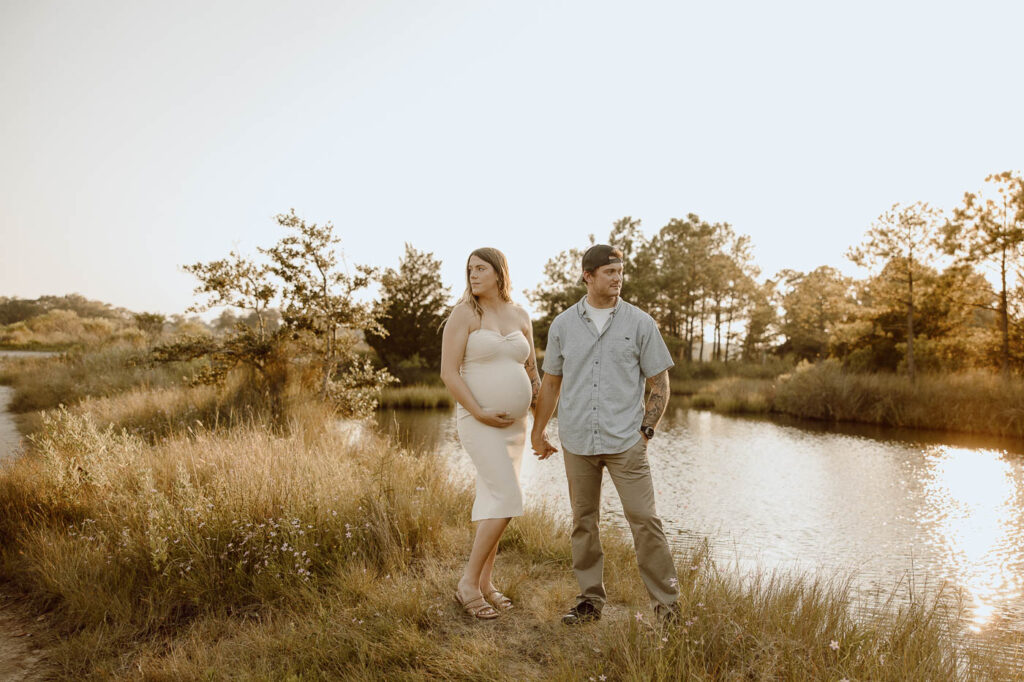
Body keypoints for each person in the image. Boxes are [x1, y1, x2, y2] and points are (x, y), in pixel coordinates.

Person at [531, 244, 680, 625]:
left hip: (625, 442)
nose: (617, 278)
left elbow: (659, 380)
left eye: (620, 272)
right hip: (577, 440)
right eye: (609, 272)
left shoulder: (640, 323)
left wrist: (646, 430)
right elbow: (550, 384)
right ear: (588, 276)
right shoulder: (564, 325)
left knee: (645, 520)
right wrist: (538, 430)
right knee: (584, 521)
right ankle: (589, 601)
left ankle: (668, 610)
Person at [440, 247, 543, 620]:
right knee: (507, 497)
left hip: (515, 427)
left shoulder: (520, 315)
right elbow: (449, 373)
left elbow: (532, 373)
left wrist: (541, 425)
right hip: (477, 420)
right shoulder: (464, 314)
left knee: (493, 500)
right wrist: (480, 411)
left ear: (500, 272)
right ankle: (468, 584)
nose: (473, 275)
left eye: (480, 268)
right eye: (469, 269)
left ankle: (486, 583)